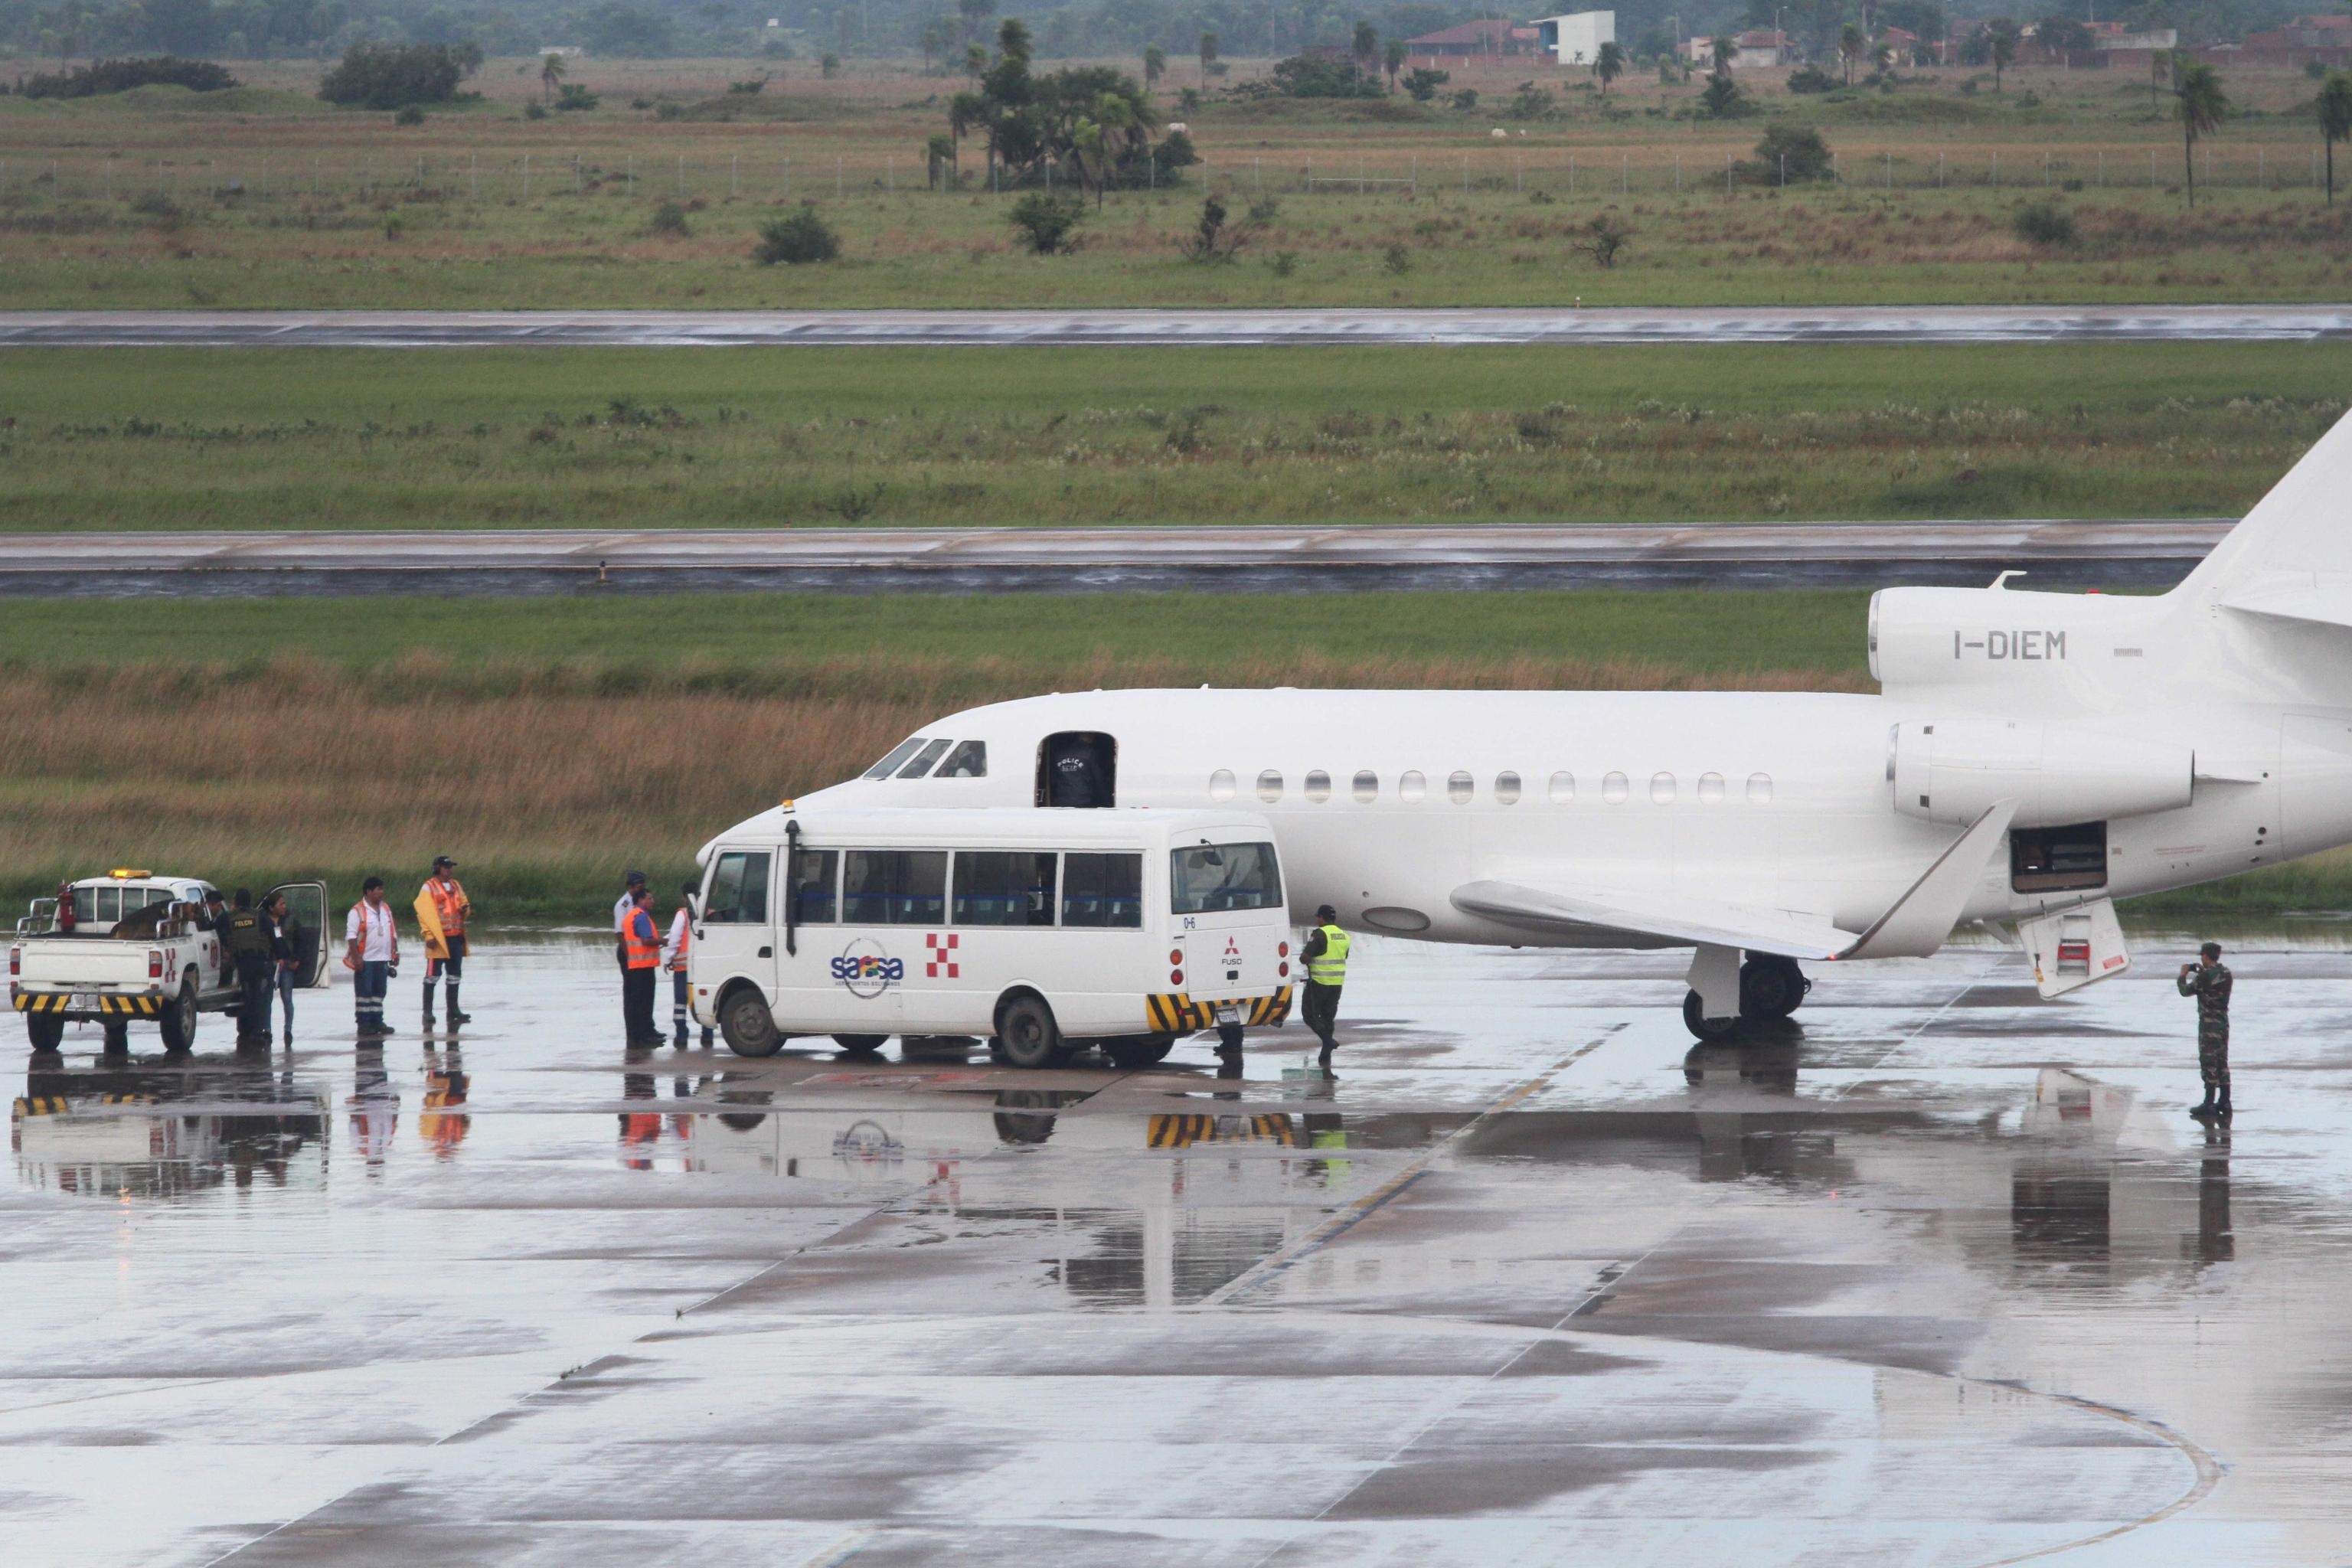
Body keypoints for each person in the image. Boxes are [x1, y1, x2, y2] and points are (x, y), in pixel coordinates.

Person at [2179, 940, 2233, 1120]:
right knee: (2222, 1062)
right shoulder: (2226, 973)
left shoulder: (2205, 977)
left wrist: (2183, 975)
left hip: (2209, 1024)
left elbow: (2185, 991)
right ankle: (2225, 1101)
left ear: (2205, 956)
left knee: (2209, 1062)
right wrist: (2202, 971)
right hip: (2223, 1023)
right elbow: (2213, 980)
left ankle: (2209, 1102)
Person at [420, 855, 472, 1032]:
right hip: (438, 940)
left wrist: (465, 910)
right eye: (446, 867)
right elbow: (423, 914)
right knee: (432, 976)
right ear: (437, 868)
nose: (450, 870)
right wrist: (428, 936)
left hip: (456, 937)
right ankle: (427, 1012)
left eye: (451, 867)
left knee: (454, 976)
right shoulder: (428, 887)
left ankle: (453, 1010)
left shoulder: (456, 885)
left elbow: (465, 904)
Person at [218, 888, 276, 1047]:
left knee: (247, 997)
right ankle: (257, 1032)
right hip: (259, 961)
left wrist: (226, 947)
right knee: (259, 997)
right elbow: (272, 935)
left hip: (242, 963)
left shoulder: (228, 917)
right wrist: (280, 955)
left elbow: (216, 927)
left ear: (236, 902)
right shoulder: (260, 916)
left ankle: (247, 1030)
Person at [346, 877, 400, 1040]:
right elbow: (351, 936)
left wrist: (395, 952)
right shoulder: (357, 911)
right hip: (366, 959)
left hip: (382, 958)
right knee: (365, 993)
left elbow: (392, 931)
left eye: (382, 889)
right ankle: (364, 1024)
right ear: (368, 892)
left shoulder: (385, 909)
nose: (381, 892)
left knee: (379, 992)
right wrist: (357, 958)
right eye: (378, 889)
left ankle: (377, 1022)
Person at [662, 879, 713, 1050]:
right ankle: (707, 1034)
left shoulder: (682, 914)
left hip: (683, 967)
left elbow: (675, 938)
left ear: (685, 897)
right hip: (703, 967)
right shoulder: (708, 913)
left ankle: (681, 1034)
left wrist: (668, 959)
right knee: (702, 999)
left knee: (680, 1001)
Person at [1299, 903, 1351, 1071]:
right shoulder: (1344, 936)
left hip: (1319, 982)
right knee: (1328, 1017)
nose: (1317, 920)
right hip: (1337, 983)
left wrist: (1305, 956)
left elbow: (1305, 958)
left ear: (1322, 918)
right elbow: (1343, 956)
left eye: (1318, 917)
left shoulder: (1320, 934)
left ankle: (1328, 1041)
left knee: (1309, 1015)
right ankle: (1326, 1054)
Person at [620, 885, 665, 1047]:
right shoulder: (641, 917)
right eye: (649, 898)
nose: (653, 901)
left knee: (637, 1002)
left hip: (636, 965)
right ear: (640, 900)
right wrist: (664, 941)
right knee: (644, 1002)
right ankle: (644, 1035)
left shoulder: (632, 915)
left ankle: (641, 1034)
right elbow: (647, 940)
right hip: (643, 966)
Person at [263, 890, 300, 1047]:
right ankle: (267, 1030)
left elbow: (300, 940)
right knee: (267, 998)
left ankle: (288, 1030)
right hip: (269, 963)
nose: (284, 906)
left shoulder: (291, 920)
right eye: (281, 904)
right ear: (271, 907)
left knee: (287, 997)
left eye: (284, 903)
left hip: (287, 963)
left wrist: (296, 959)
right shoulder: (263, 921)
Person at [613, 869, 647, 1033]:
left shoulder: (639, 903)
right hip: (628, 953)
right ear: (631, 887)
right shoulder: (623, 905)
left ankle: (643, 1028)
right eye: (640, 886)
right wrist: (630, 956)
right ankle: (633, 1030)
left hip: (639, 955)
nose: (642, 889)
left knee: (641, 993)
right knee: (631, 994)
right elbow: (619, 934)